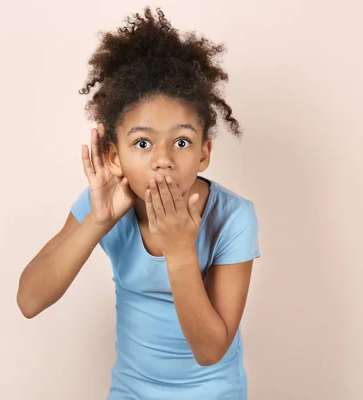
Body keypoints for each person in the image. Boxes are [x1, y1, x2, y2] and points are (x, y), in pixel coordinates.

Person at [16, 7, 260, 399]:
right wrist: (97, 221)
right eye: (142, 143)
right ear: (114, 157)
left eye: (181, 142)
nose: (162, 158)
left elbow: (211, 350)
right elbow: (29, 300)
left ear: (204, 152)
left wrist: (180, 251)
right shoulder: (105, 203)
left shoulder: (233, 217)